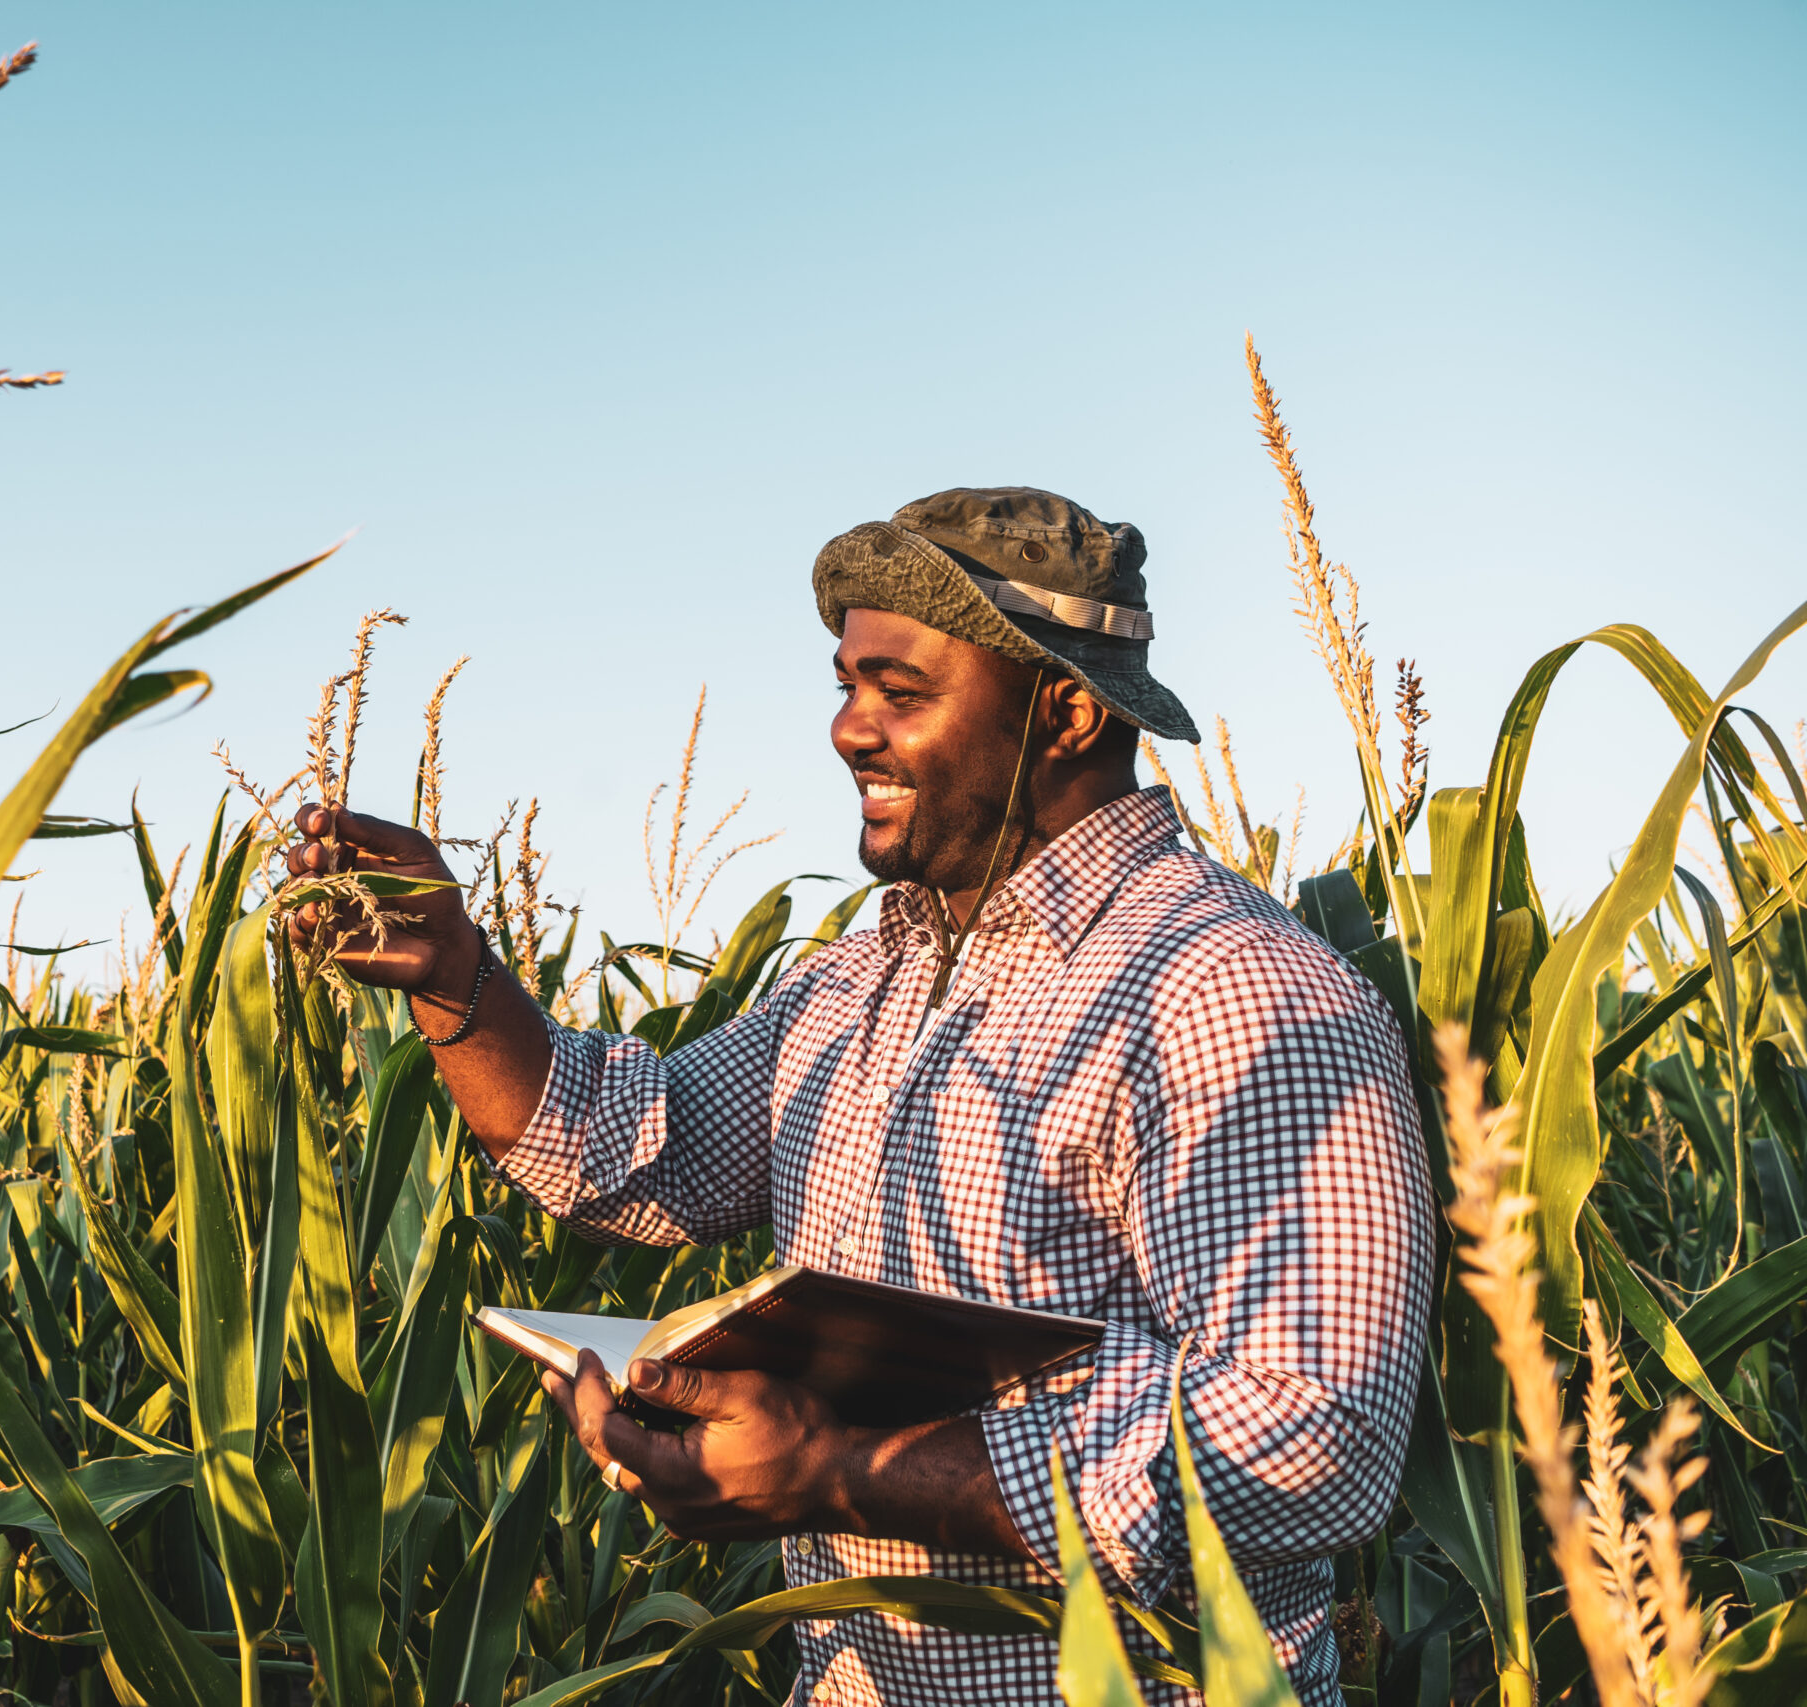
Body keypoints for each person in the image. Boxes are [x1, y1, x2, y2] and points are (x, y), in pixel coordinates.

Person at [283, 486, 1434, 1707]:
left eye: (901, 691)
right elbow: (639, 1153)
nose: (847, 729)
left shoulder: (1234, 993)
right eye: (845, 686)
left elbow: (1319, 1439)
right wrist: (457, 976)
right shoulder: (858, 978)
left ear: (1067, 709)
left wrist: (844, 1468)